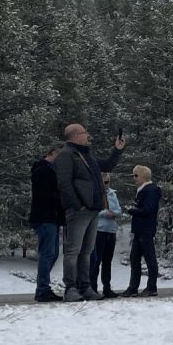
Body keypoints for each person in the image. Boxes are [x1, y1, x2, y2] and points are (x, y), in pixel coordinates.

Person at [55, 123, 125, 302]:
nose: (88, 135)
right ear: (76, 135)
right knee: (73, 251)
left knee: (86, 251)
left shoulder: (87, 155)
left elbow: (107, 166)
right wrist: (77, 205)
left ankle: (85, 286)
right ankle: (70, 288)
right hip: (80, 210)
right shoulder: (66, 155)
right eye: (85, 132)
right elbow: (64, 183)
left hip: (93, 210)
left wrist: (117, 150)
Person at [29, 145, 65, 302]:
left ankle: (43, 285)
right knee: (47, 253)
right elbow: (47, 195)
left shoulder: (49, 170)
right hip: (45, 216)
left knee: (53, 253)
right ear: (51, 153)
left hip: (52, 217)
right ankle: (42, 288)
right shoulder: (43, 171)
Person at [121, 166, 161, 296]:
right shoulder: (144, 190)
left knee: (150, 258)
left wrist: (131, 210)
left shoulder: (150, 190)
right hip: (140, 229)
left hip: (146, 228)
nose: (134, 178)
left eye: (136, 175)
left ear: (144, 176)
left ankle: (152, 287)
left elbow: (148, 210)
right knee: (134, 258)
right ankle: (133, 287)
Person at [92, 184, 121, 298]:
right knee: (96, 260)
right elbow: (93, 209)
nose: (105, 184)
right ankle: (93, 287)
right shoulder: (95, 192)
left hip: (111, 230)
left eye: (107, 181)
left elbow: (119, 210)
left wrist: (114, 213)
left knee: (107, 261)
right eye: (103, 181)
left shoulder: (112, 193)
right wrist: (105, 213)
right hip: (99, 230)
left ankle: (107, 288)